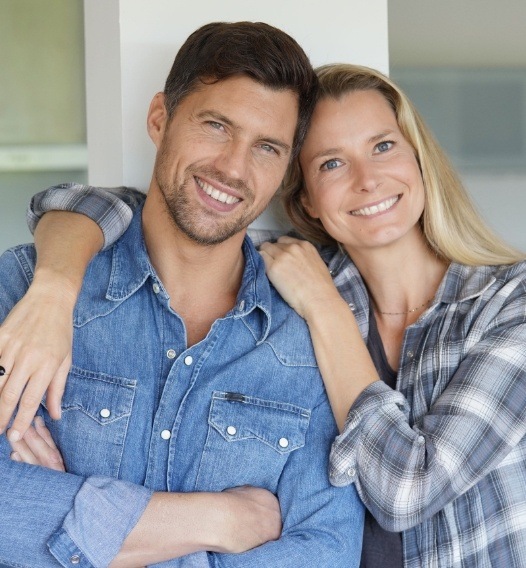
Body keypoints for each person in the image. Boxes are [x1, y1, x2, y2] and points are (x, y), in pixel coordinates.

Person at [7, 62, 526, 568]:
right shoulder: (289, 275)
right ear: (305, 199)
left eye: (383, 146)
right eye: (331, 163)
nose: (368, 180)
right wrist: (55, 284)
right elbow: (134, 208)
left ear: (419, 158)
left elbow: (405, 493)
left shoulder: (508, 303)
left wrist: (98, 541)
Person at [0, 24, 365, 567]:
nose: (234, 168)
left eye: (266, 147)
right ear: (160, 118)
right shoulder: (27, 289)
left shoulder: (308, 340)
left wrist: (92, 536)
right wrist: (218, 521)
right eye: (216, 126)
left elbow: (326, 552)